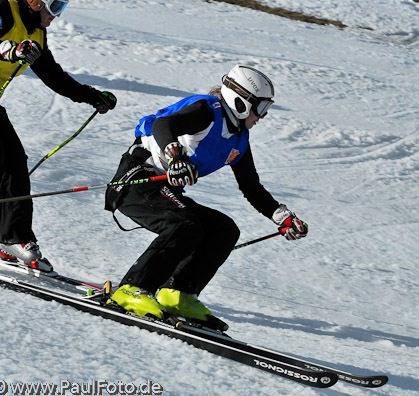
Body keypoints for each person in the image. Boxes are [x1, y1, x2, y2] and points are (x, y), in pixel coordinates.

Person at [105, 65, 308, 327]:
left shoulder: (239, 140)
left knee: (223, 229)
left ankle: (176, 293)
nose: (263, 116)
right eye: (260, 108)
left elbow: (251, 187)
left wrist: (283, 217)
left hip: (164, 190)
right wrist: (176, 157)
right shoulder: (207, 112)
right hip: (138, 179)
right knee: (185, 225)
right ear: (242, 103)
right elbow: (163, 124)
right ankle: (131, 290)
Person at [0, 0, 117, 270]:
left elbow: (53, 75)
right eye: (54, 5)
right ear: (34, 1)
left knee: (15, 159)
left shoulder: (36, 33)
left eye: (62, 7)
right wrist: (9, 49)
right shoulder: (2, 10)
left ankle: (9, 237)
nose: (56, 14)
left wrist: (92, 96)